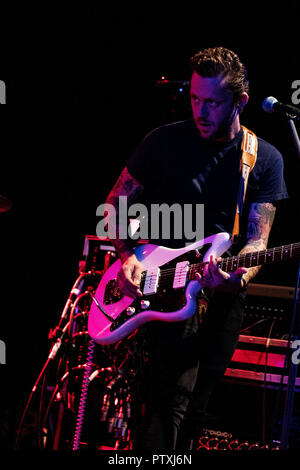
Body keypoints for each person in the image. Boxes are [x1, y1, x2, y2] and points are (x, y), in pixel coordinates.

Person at [103, 46, 289, 450]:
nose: (201, 111)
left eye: (213, 103)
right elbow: (114, 205)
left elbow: (258, 240)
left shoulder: (264, 159)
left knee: (198, 410)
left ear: (240, 101)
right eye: (195, 99)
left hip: (222, 295)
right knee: (165, 403)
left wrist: (237, 272)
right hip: (162, 286)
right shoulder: (163, 142)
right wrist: (126, 255)